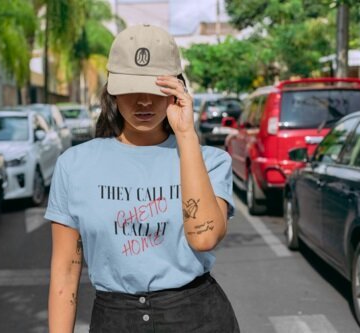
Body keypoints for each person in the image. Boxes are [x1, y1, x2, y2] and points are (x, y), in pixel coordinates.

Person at [46, 24, 239, 333]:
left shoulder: (211, 161)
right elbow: (65, 274)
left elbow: (204, 238)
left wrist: (186, 134)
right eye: (130, 87)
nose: (143, 101)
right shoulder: (74, 165)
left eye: (156, 88)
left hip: (196, 317)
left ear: (177, 88)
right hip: (114, 320)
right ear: (112, 90)